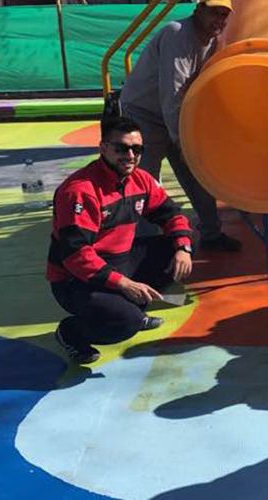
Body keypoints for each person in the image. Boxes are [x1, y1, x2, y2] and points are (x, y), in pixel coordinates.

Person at [47, 117, 195, 364]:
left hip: (120, 261)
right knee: (126, 324)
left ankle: (130, 308)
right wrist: (124, 283)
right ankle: (72, 332)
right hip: (76, 280)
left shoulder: (140, 179)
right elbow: (75, 255)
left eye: (137, 149)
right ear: (103, 148)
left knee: (181, 245)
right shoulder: (80, 191)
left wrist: (183, 247)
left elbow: (172, 214)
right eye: (121, 148)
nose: (130, 156)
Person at [120, 0, 240, 252]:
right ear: (199, 10)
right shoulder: (177, 35)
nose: (219, 20)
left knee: (197, 175)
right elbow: (172, 93)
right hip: (145, 114)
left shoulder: (213, 41)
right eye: (214, 13)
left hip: (176, 114)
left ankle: (211, 233)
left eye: (224, 15)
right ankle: (147, 244)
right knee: (146, 179)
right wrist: (182, 141)